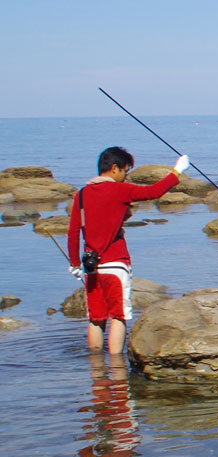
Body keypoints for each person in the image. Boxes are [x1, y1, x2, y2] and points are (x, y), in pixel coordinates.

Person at [67, 146, 189, 354]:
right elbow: (154, 192)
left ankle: (96, 371)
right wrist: (177, 171)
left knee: (96, 318)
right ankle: (117, 368)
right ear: (115, 169)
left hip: (91, 267)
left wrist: (75, 264)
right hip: (116, 263)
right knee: (118, 316)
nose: (125, 177)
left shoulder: (81, 195)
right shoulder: (120, 190)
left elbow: (73, 231)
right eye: (125, 171)